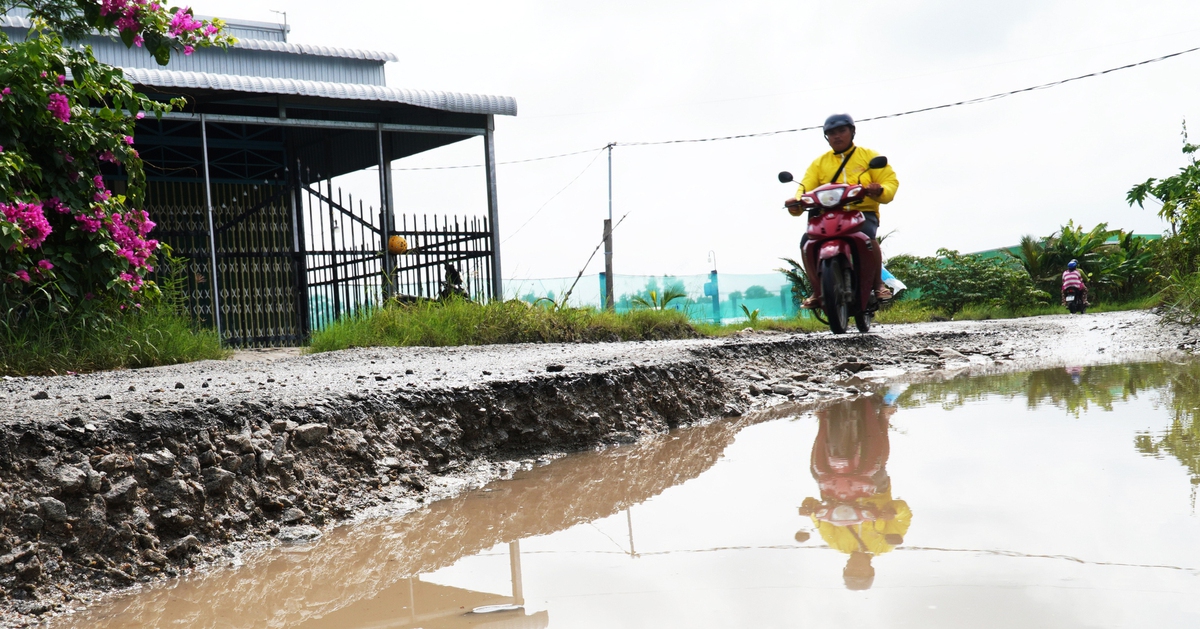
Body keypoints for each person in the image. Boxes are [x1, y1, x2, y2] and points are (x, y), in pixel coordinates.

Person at [788, 114, 899, 308]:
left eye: (841, 131)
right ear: (826, 137)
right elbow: (805, 188)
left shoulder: (869, 156)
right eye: (831, 133)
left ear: (852, 132)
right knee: (807, 242)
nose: (837, 136)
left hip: (862, 212)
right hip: (827, 215)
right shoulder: (819, 163)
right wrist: (797, 201)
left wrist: (879, 189)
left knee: (867, 237)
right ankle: (817, 290)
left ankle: (878, 285)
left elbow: (889, 182)